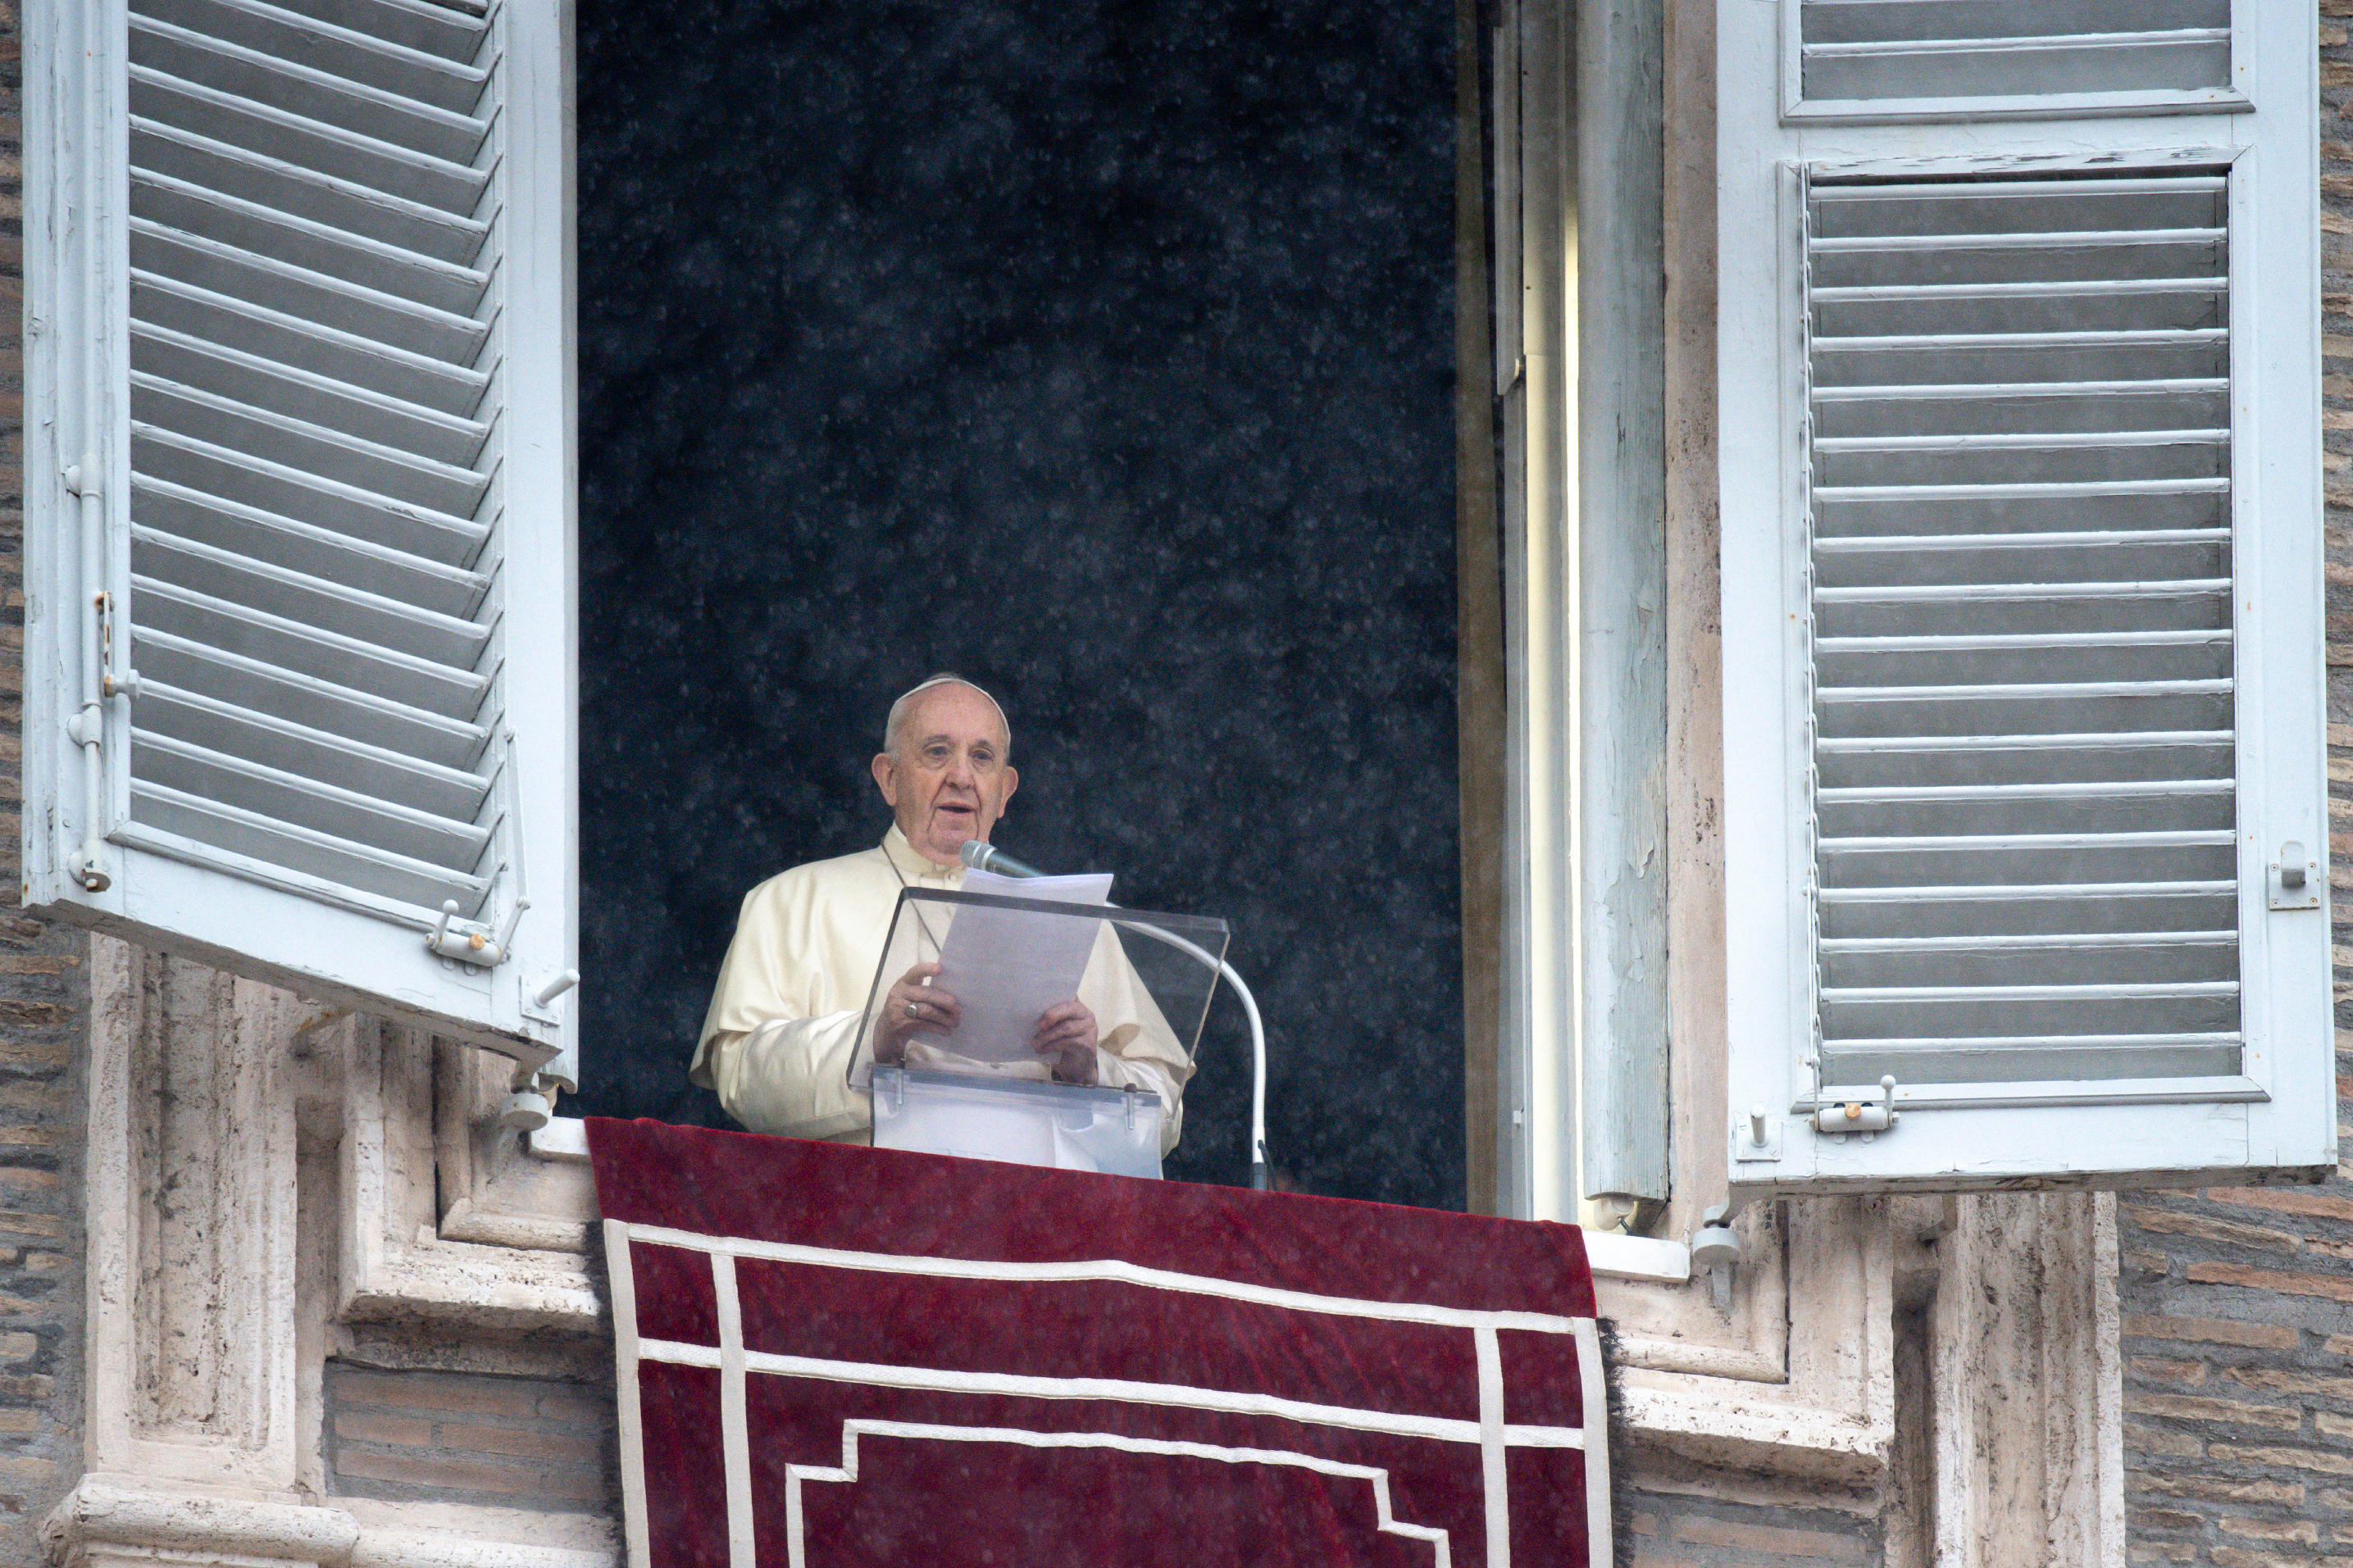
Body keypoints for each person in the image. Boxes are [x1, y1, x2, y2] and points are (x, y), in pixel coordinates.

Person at [688, 675, 1193, 1151]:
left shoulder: (1074, 917)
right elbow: (740, 1078)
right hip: (863, 1205)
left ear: (1005, 791)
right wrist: (875, 1041)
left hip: (1039, 1208)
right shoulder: (793, 900)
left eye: (982, 757)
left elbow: (1165, 1116)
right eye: (937, 752)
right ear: (889, 778)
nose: (961, 777)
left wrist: (1089, 1071)